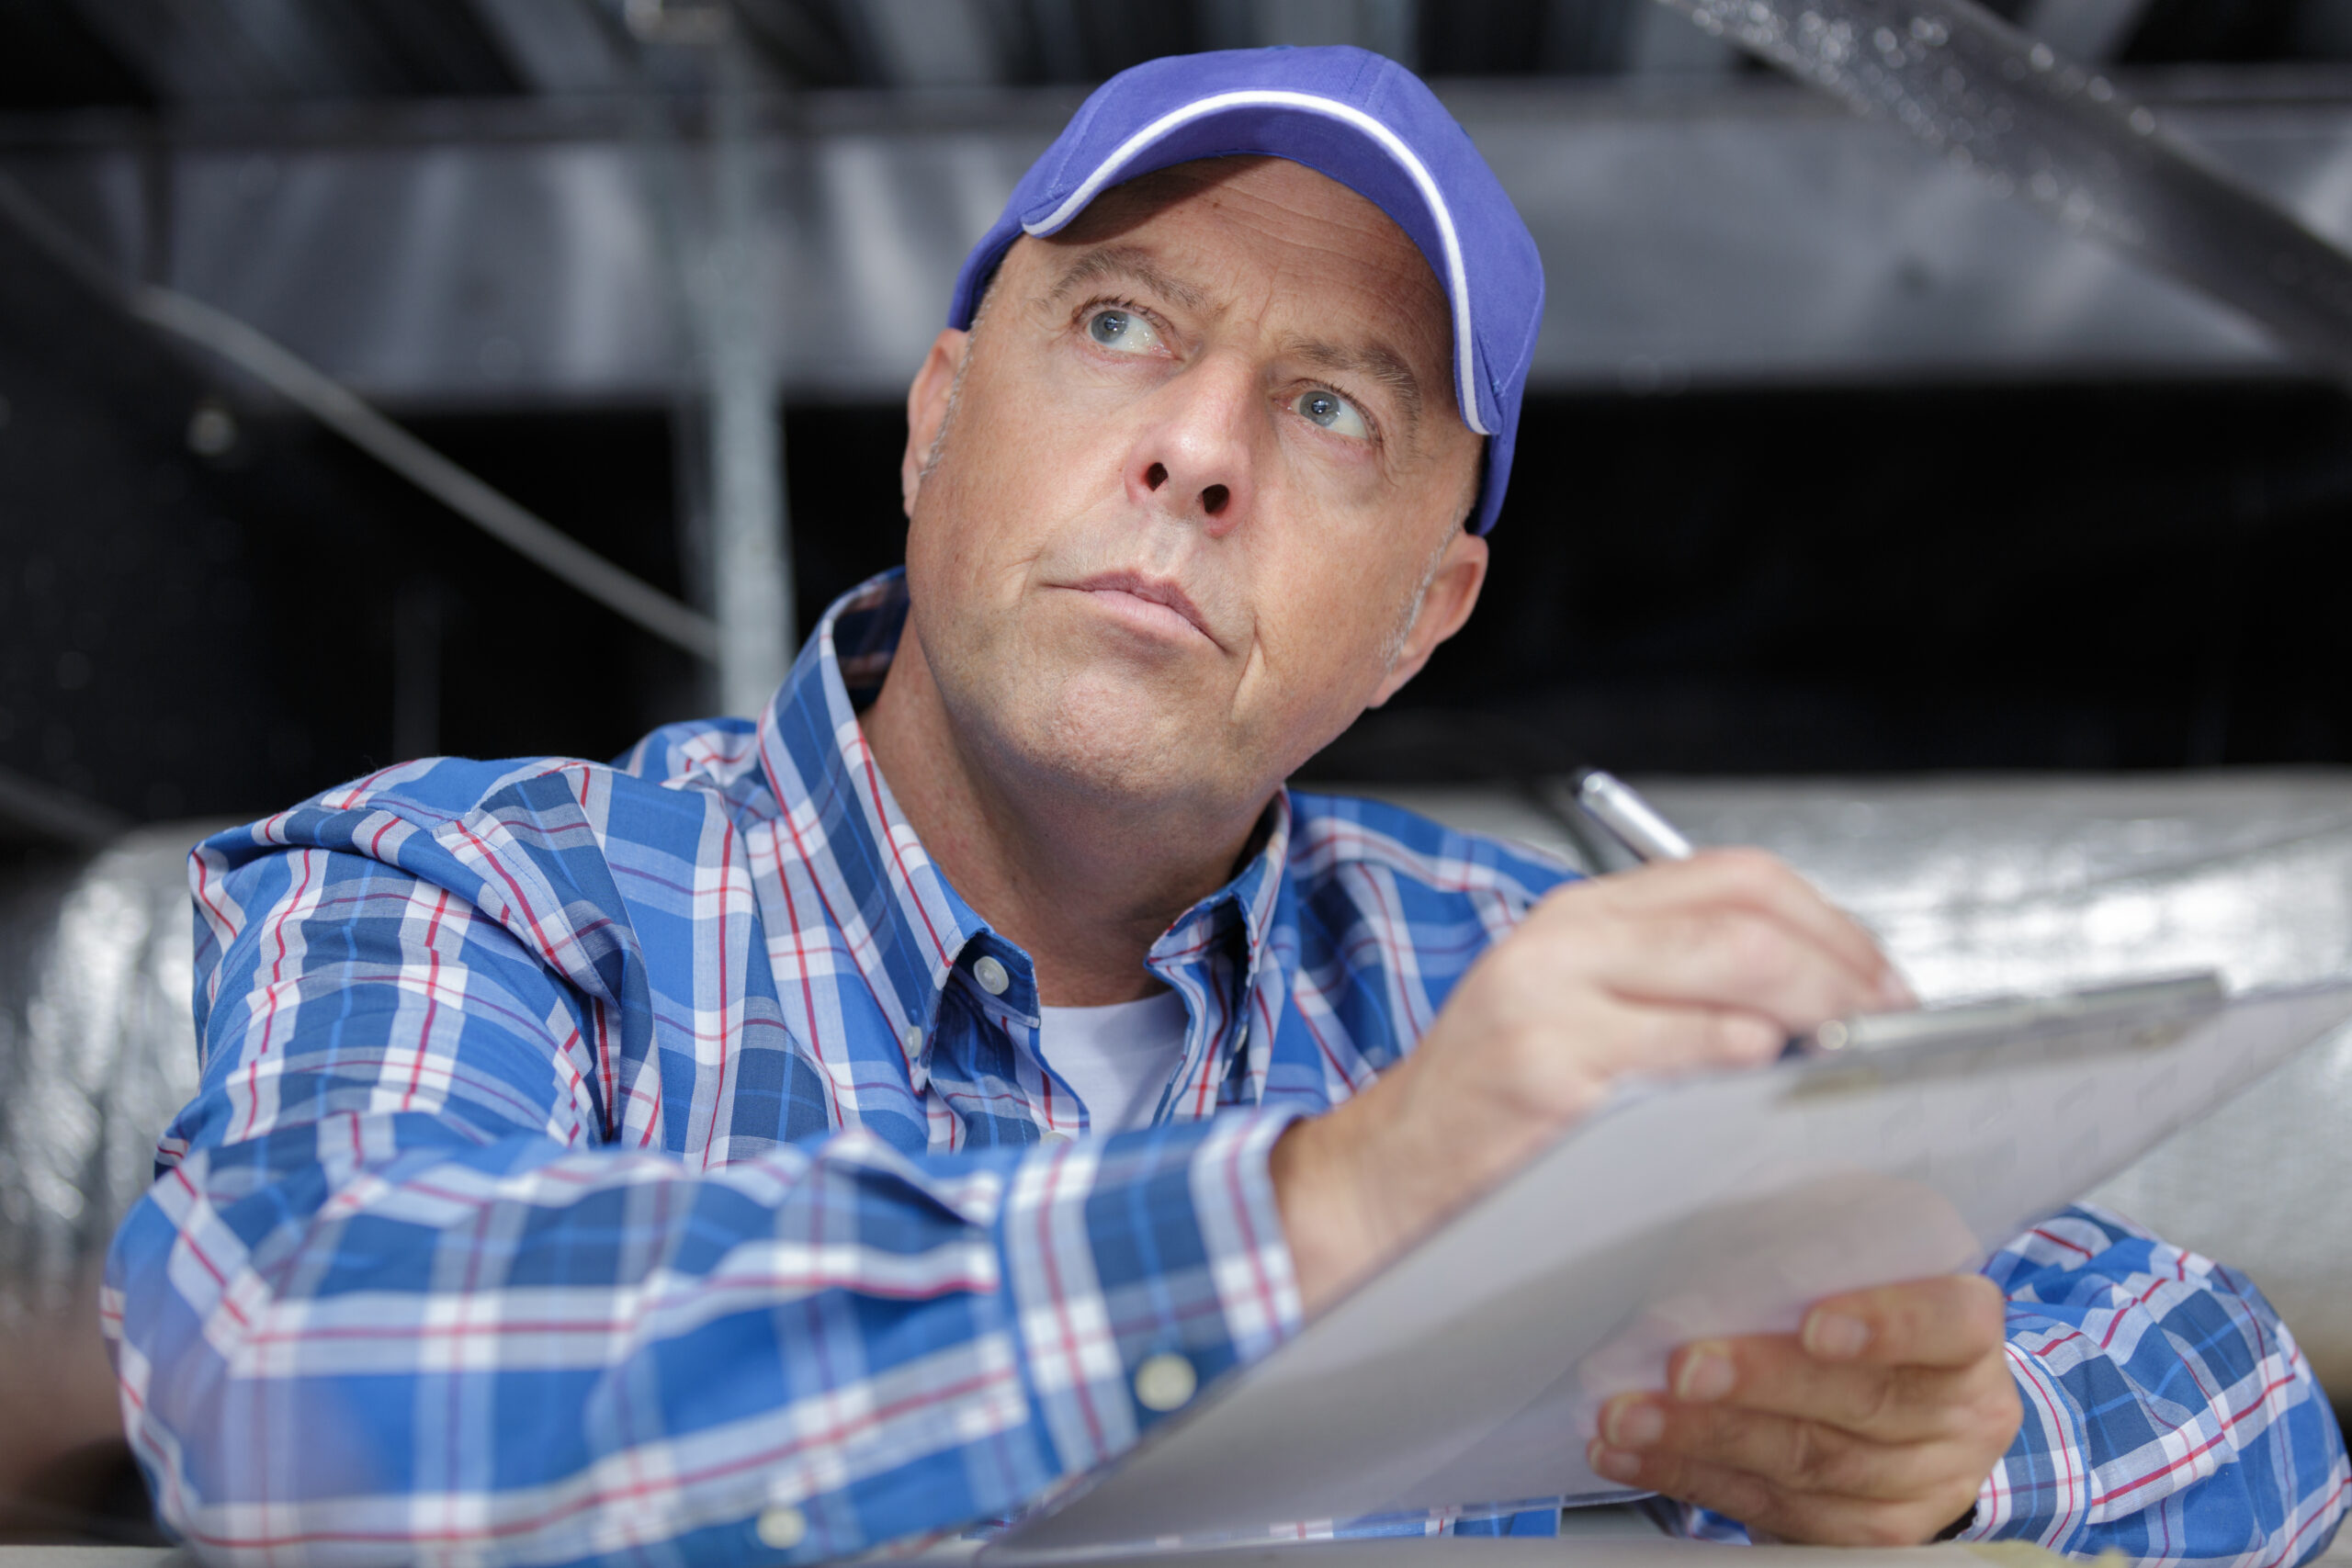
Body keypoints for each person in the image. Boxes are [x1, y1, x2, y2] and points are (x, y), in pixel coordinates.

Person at [107, 45, 2345, 1568]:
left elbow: (2233, 1390)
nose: (1196, 450)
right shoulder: (499, 895)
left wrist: (1956, 1448)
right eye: (1114, 330)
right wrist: (1316, 1216)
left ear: (1420, 617)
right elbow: (286, 1384)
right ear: (937, 421)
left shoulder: (1516, 989)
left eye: (1334, 409)